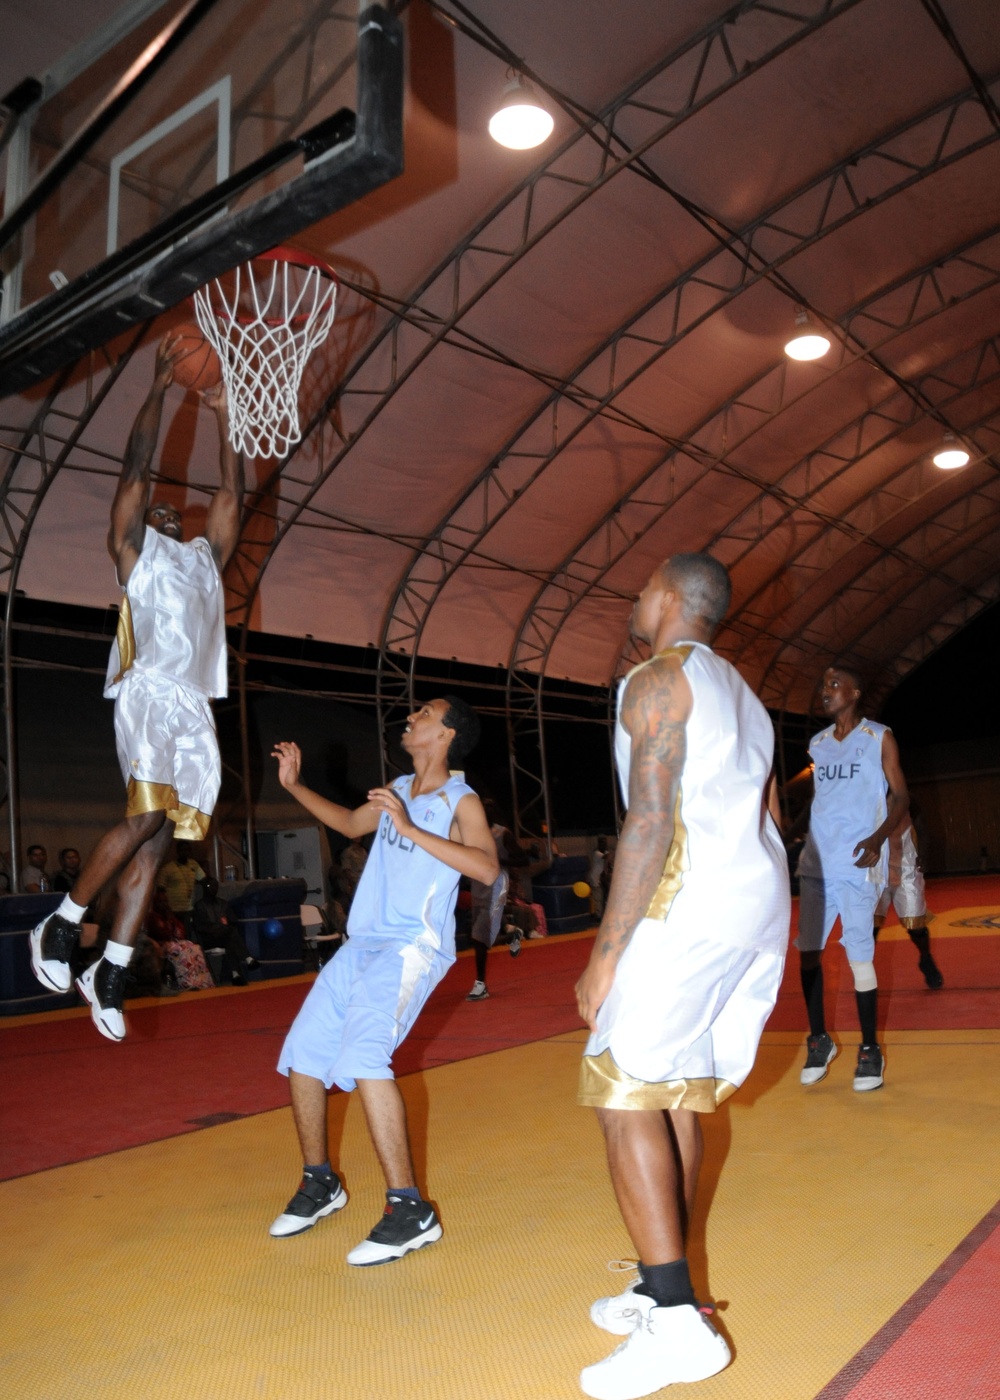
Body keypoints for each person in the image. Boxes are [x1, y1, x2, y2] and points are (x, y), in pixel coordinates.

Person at [574, 554, 789, 1400]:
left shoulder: (658, 680)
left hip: (688, 903)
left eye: (639, 588)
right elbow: (769, 813)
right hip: (753, 904)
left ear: (667, 596)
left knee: (620, 1089)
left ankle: (674, 1322)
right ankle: (665, 1284)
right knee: (677, 1092)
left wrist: (606, 950)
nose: (633, 599)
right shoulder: (743, 692)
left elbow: (651, 816)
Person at [28, 336, 243, 1041]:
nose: (167, 515)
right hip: (148, 691)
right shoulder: (135, 555)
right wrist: (156, 388)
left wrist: (222, 414)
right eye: (157, 512)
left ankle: (111, 969)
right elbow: (134, 471)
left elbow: (231, 495)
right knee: (146, 817)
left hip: (194, 708)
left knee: (159, 844)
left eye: (172, 515)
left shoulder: (205, 562)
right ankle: (60, 926)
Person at [267, 696, 499, 1266]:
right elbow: (349, 823)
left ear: (446, 734)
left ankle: (409, 1208)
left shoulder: (458, 798)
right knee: (303, 1057)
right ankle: (320, 1182)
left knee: (366, 1059)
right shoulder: (398, 786)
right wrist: (294, 785)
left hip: (409, 947)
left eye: (424, 712)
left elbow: (488, 869)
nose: (411, 716)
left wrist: (405, 824)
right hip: (362, 943)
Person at [794, 665, 908, 1092]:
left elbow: (901, 795)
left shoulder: (879, 737)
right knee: (808, 953)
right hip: (819, 865)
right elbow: (823, 800)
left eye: (834, 685)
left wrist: (880, 837)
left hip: (859, 864)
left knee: (859, 957)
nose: (825, 692)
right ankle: (820, 1040)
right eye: (823, 685)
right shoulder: (818, 745)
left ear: (855, 693)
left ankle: (869, 1050)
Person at [873, 817, 943, 988]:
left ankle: (926, 957)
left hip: (906, 865)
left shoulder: (905, 797)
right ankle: (864, 969)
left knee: (916, 925)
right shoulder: (861, 798)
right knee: (869, 926)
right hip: (873, 867)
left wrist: (924, 854)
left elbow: (921, 826)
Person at [192, 874, 259, 984]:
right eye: (210, 886)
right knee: (230, 933)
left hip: (224, 936)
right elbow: (200, 927)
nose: (213, 889)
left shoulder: (223, 904)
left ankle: (235, 974)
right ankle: (247, 958)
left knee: (230, 939)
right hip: (209, 938)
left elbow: (233, 921)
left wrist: (225, 924)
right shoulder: (200, 906)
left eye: (215, 886)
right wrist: (220, 926)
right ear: (205, 888)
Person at [158, 841, 206, 933]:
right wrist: (166, 910)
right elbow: (160, 890)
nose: (185, 852)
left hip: (188, 909)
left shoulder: (193, 865)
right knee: (175, 934)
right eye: (182, 850)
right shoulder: (168, 868)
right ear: (178, 851)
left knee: (188, 933)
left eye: (187, 850)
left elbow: (204, 880)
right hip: (173, 910)